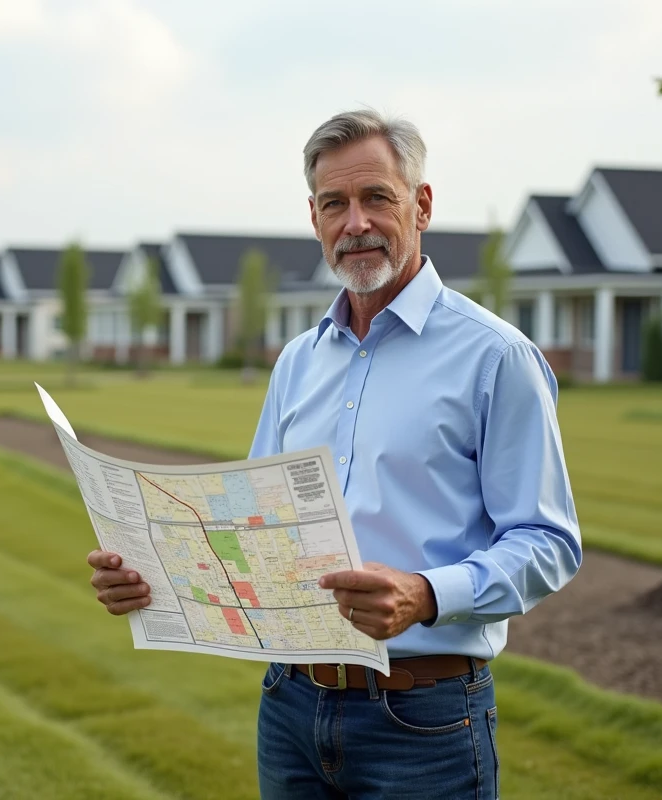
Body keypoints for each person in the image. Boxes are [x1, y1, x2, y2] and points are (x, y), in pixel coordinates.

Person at [87, 109, 582, 799]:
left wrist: (425, 594)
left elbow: (549, 542)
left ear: (422, 205)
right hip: (289, 706)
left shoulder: (496, 356)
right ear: (315, 218)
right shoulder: (297, 361)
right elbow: (250, 531)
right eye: (334, 204)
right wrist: (151, 580)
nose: (356, 223)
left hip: (423, 721)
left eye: (377, 197)